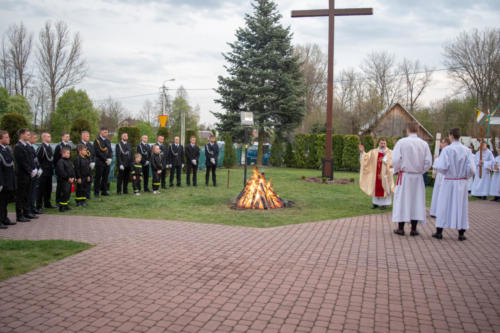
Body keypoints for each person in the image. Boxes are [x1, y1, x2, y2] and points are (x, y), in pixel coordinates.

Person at [432, 128, 476, 241]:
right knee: (461, 206)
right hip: (461, 182)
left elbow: (442, 166)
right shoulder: (467, 150)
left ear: (451, 135)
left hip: (449, 181)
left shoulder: (447, 150)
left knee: (443, 204)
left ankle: (439, 231)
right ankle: (461, 233)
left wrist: (436, 161)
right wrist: (465, 176)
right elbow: (471, 168)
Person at [392, 122, 432, 236]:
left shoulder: (402, 142)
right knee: (416, 201)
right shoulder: (424, 144)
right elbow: (428, 162)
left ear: (408, 130)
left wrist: (398, 168)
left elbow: (395, 159)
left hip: (405, 175)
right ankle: (414, 229)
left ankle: (400, 228)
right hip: (417, 177)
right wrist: (420, 171)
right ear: (418, 130)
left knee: (402, 200)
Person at [358, 138, 394, 210]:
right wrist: (362, 152)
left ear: (386, 144)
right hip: (375, 175)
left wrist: (386, 156)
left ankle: (384, 204)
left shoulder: (390, 152)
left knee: (385, 187)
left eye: (384, 143)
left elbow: (392, 162)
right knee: (375, 187)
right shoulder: (373, 152)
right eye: (381, 143)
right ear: (379, 144)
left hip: (385, 175)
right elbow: (366, 158)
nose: (383, 145)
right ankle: (375, 204)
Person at [14, 128, 37, 222]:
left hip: (29, 174)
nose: (29, 136)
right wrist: (30, 170)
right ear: (22, 135)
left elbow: (31, 159)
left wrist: (34, 169)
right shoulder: (18, 147)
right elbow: (22, 161)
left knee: (27, 194)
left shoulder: (27, 146)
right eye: (27, 134)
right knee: (21, 195)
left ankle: (26, 212)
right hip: (22, 175)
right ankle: (19, 215)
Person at [430, 137, 451, 217]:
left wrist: (436, 159)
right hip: (440, 175)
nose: (441, 144)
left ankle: (439, 212)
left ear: (446, 143)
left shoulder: (447, 151)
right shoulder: (443, 151)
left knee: (441, 193)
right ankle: (435, 211)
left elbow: (443, 164)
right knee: (437, 192)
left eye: (442, 143)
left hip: (443, 175)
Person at [0, 130, 16, 228]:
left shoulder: (7, 149)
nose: (8, 139)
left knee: (5, 201)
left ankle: (4, 218)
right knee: (0, 202)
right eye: (6, 137)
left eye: (8, 137)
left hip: (8, 180)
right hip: (2, 180)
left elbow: (10, 165)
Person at [36, 132, 56, 209]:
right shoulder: (41, 147)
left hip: (49, 171)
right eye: (48, 136)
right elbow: (37, 159)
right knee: (41, 189)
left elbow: (51, 159)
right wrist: (39, 168)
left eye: (50, 136)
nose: (49, 137)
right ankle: (39, 205)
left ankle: (47, 203)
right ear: (43, 138)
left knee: (48, 188)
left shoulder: (49, 147)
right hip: (43, 171)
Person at [27, 132, 43, 215]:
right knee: (30, 193)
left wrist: (39, 168)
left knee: (34, 192)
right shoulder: (27, 147)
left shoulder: (32, 147)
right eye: (34, 138)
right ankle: (29, 209)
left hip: (35, 172)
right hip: (30, 173)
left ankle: (32, 208)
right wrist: (32, 170)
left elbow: (36, 160)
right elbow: (28, 161)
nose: (36, 139)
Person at [94, 128, 112, 197]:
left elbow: (110, 150)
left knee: (105, 177)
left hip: (107, 162)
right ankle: (96, 192)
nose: (106, 133)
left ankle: (104, 191)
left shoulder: (108, 141)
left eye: (107, 132)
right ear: (101, 132)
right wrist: (105, 159)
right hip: (100, 162)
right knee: (98, 178)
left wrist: (110, 158)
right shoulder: (97, 141)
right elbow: (97, 152)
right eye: (105, 132)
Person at [54, 132, 71, 205]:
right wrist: (57, 169)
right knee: (60, 186)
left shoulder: (69, 146)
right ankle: (58, 200)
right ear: (62, 137)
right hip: (60, 168)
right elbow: (55, 158)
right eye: (66, 137)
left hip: (67, 168)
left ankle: (65, 199)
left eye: (68, 137)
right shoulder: (59, 146)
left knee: (66, 187)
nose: (68, 138)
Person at [56, 146, 75, 212]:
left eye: (69, 153)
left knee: (68, 193)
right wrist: (68, 178)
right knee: (63, 193)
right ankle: (61, 207)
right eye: (67, 153)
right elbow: (61, 172)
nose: (68, 155)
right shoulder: (60, 161)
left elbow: (72, 169)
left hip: (70, 180)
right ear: (63, 154)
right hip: (64, 181)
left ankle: (66, 205)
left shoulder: (69, 161)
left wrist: (73, 177)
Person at [81, 131, 95, 199]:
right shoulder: (80, 145)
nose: (88, 137)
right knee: (84, 180)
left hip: (89, 165)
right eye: (87, 136)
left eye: (88, 136)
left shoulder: (90, 144)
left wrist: (92, 162)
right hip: (83, 165)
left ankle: (88, 194)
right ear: (83, 136)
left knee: (89, 179)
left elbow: (92, 154)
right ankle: (82, 194)